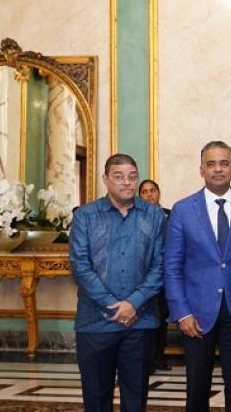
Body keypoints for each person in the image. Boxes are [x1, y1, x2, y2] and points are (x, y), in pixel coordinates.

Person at [164, 141, 231, 412]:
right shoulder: (183, 210)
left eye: (224, 163)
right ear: (201, 169)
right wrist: (181, 313)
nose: (218, 169)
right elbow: (171, 266)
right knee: (196, 390)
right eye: (211, 164)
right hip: (196, 314)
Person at [70, 153, 165, 412]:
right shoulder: (85, 216)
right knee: (96, 400)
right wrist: (114, 305)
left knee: (135, 401)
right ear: (105, 179)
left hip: (140, 322)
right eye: (119, 177)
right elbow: (80, 266)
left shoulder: (154, 216)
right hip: (95, 324)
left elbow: (160, 266)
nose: (127, 183)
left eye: (132, 177)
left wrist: (133, 304)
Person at [138, 179, 172, 373]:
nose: (149, 194)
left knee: (161, 317)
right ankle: (146, 360)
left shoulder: (171, 215)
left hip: (165, 275)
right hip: (142, 277)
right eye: (145, 191)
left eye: (152, 191)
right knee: (145, 318)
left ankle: (159, 357)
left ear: (159, 194)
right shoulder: (135, 217)